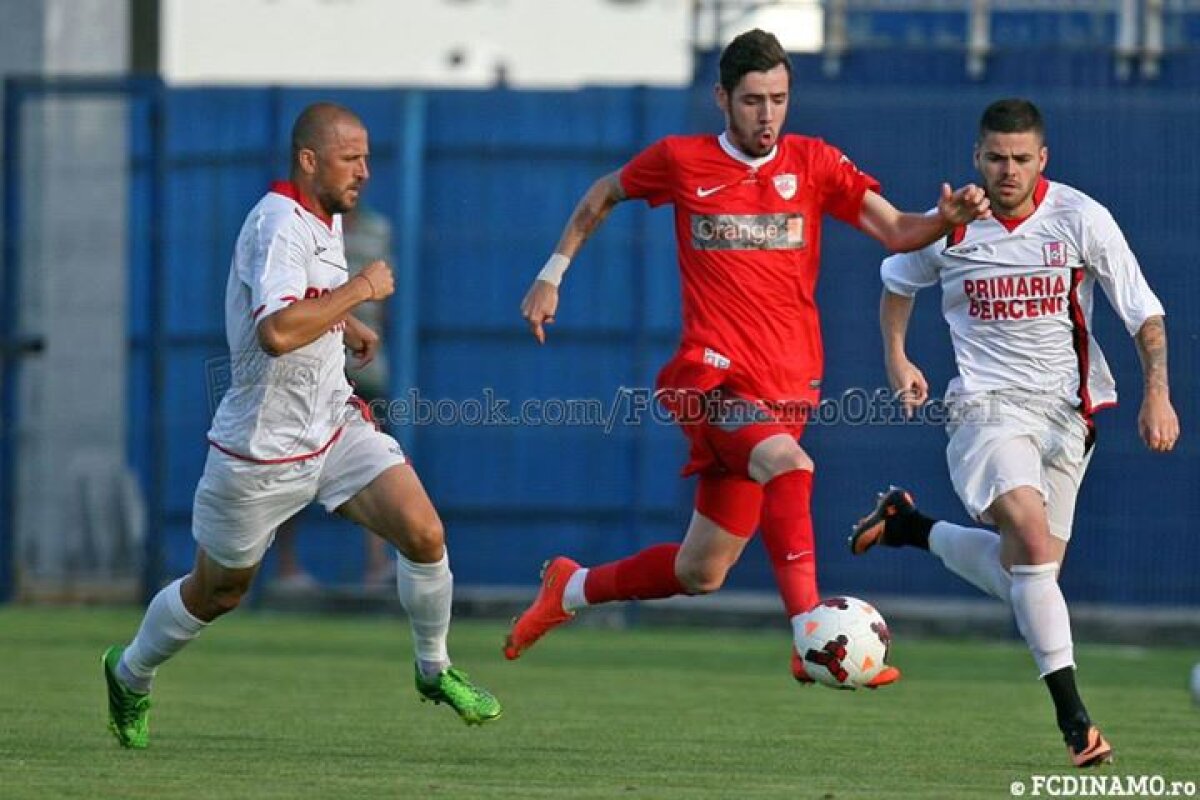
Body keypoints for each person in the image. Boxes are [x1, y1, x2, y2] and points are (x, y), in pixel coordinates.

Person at [504, 29, 990, 685]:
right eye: (754, 100)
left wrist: (945, 216)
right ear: (723, 99)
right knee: (790, 466)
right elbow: (602, 194)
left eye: (779, 99)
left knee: (699, 571)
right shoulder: (682, 160)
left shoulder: (814, 164)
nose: (768, 115)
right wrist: (551, 273)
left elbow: (897, 230)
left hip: (788, 388)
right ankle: (810, 637)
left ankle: (571, 588)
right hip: (713, 384)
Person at [102, 102, 501, 749]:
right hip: (260, 450)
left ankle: (435, 669)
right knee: (220, 590)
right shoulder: (279, 224)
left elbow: (303, 303)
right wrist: (361, 292)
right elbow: (278, 330)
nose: (365, 172)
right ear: (309, 160)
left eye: (368, 158)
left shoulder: (324, 217)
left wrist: (347, 323)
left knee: (424, 533)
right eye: (351, 158)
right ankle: (130, 672)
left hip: (333, 425)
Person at [849, 98, 1179, 767]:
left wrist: (1158, 394)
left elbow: (1143, 313)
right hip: (985, 409)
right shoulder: (954, 227)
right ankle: (1076, 723)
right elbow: (895, 279)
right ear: (977, 156)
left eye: (1020, 159)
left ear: (1042, 160)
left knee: (1031, 578)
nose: (1007, 170)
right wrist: (898, 357)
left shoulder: (1080, 217)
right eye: (995, 157)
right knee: (1028, 541)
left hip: (1067, 416)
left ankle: (911, 526)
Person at [271, 204, 398, 593]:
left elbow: (385, 303)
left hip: (364, 367)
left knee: (375, 459)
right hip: (314, 365)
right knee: (297, 462)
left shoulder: (379, 229)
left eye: (362, 163)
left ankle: (375, 565)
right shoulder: (310, 231)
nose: (358, 175)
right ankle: (285, 567)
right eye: (349, 161)